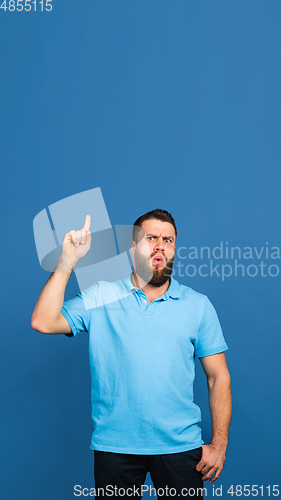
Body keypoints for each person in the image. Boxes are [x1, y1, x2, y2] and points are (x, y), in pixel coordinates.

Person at [31, 208, 232, 499]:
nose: (161, 245)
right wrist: (68, 260)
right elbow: (43, 321)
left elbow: (218, 378)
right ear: (133, 247)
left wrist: (219, 445)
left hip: (180, 447)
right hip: (115, 448)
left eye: (169, 239)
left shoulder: (198, 305)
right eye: (151, 238)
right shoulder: (101, 295)